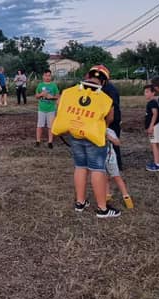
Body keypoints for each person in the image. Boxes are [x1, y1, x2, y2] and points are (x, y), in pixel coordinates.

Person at [51, 69, 120, 218]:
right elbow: (110, 119)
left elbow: (60, 109)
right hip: (94, 137)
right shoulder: (105, 97)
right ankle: (102, 209)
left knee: (80, 167)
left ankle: (80, 202)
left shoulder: (69, 92)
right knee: (97, 169)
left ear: (87, 76)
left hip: (75, 134)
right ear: (104, 81)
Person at [95, 65, 124, 172]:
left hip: (111, 120)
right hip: (110, 119)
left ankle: (116, 166)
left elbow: (111, 108)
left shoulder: (108, 90)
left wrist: (105, 124)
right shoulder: (106, 88)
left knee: (112, 143)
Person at [105, 127, 134, 210]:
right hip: (99, 159)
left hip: (110, 159)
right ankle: (107, 196)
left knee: (117, 177)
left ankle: (126, 197)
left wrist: (109, 137)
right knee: (105, 178)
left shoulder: (109, 131)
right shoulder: (94, 129)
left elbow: (117, 143)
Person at [34, 70, 59, 147]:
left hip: (51, 109)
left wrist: (52, 97)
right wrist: (41, 94)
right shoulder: (40, 85)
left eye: (49, 76)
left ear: (51, 76)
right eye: (46, 75)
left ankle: (50, 142)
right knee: (39, 126)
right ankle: (38, 141)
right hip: (41, 109)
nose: (47, 77)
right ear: (43, 76)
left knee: (50, 126)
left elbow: (58, 96)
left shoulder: (54, 85)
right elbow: (36, 96)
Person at [144, 84, 159, 172]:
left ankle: (157, 164)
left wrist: (151, 126)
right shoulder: (153, 102)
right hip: (157, 126)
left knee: (154, 144)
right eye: (145, 92)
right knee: (157, 144)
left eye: (147, 92)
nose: (145, 94)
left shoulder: (152, 103)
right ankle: (158, 162)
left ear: (153, 93)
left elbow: (155, 114)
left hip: (155, 126)